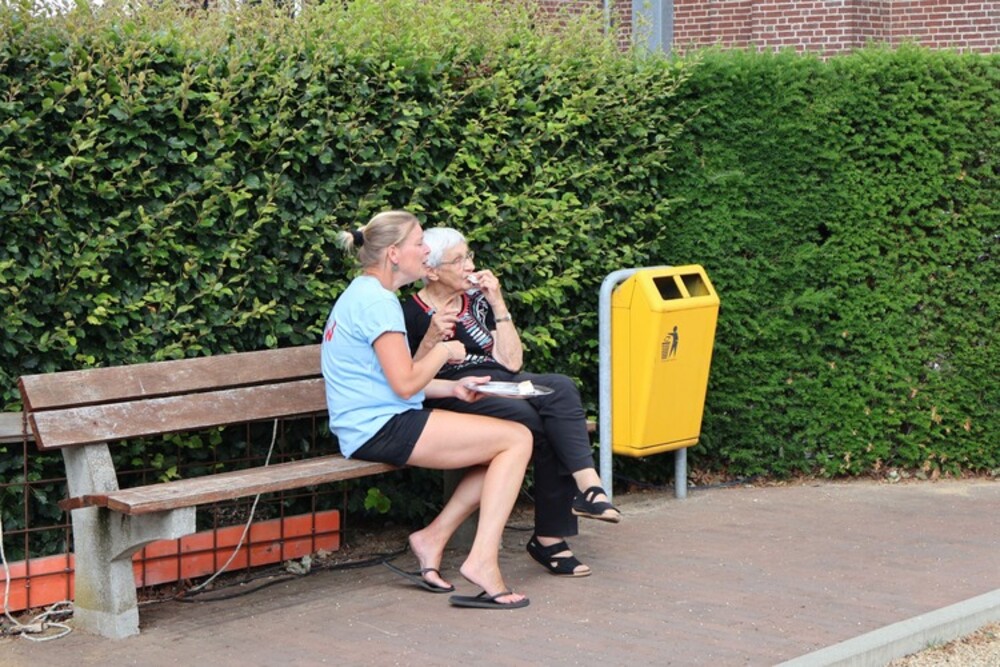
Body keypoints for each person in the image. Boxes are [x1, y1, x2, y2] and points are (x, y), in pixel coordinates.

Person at [321, 211, 533, 609]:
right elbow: (404, 384)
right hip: (377, 428)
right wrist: (444, 351)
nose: (425, 250)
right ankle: (482, 562)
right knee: (516, 439)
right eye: (419, 243)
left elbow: (390, 379)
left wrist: (453, 387)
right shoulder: (378, 303)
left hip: (377, 419)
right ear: (394, 254)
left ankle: (432, 538)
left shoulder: (364, 293)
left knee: (503, 449)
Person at [402, 227, 620, 579]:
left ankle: (591, 488)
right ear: (433, 271)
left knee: (561, 387)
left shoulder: (477, 301)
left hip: (501, 383)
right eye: (459, 260)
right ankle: (550, 537)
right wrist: (431, 338)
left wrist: (498, 302)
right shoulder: (410, 313)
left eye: (469, 255)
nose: (470, 265)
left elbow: (512, 362)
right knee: (536, 423)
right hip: (457, 391)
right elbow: (409, 378)